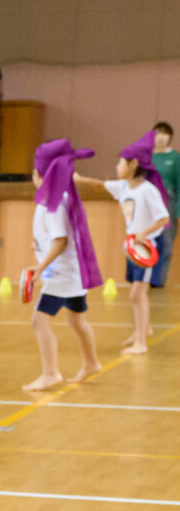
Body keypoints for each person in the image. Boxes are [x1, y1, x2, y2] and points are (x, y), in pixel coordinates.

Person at [23, 139, 104, 391]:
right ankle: (91, 362)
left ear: (39, 175)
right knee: (77, 320)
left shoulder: (53, 204)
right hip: (73, 274)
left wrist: (40, 266)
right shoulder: (62, 198)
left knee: (39, 320)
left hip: (61, 275)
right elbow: (56, 239)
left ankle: (51, 373)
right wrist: (39, 249)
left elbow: (60, 241)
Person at [85, 130, 170, 355]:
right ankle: (144, 329)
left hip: (149, 247)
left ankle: (140, 342)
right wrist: (75, 178)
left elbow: (164, 218)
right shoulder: (123, 187)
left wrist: (145, 232)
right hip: (133, 247)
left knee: (136, 294)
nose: (117, 166)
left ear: (133, 164)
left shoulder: (147, 190)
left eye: (121, 162)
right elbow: (99, 184)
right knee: (135, 293)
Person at [150, 122, 180, 289]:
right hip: (148, 204)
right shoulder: (146, 156)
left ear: (170, 137)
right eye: (157, 133)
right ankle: (143, 278)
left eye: (164, 133)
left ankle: (158, 281)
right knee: (147, 241)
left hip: (168, 203)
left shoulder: (175, 157)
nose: (160, 137)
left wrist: (178, 212)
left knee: (166, 244)